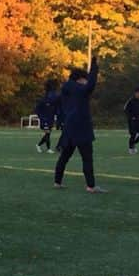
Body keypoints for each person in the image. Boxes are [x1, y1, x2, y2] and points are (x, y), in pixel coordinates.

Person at [53, 54, 105, 193]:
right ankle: (91, 186)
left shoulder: (66, 89)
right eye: (84, 80)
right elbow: (90, 86)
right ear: (80, 79)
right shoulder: (79, 89)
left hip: (69, 127)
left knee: (65, 156)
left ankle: (57, 182)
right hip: (81, 126)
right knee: (87, 158)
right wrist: (94, 67)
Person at [33, 79, 60, 153]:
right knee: (47, 133)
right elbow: (37, 110)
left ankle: (39, 145)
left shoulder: (53, 101)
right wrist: (41, 117)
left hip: (50, 119)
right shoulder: (43, 100)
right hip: (44, 119)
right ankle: (47, 148)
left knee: (48, 133)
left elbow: (56, 109)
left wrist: (56, 115)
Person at [123, 86, 139, 154]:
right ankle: (131, 148)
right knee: (133, 134)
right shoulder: (130, 100)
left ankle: (133, 144)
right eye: (138, 93)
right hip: (132, 120)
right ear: (135, 93)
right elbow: (125, 109)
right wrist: (130, 117)